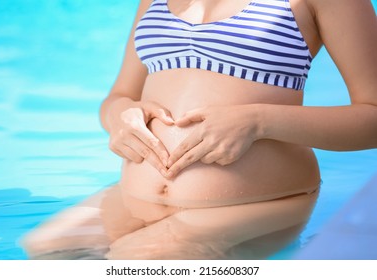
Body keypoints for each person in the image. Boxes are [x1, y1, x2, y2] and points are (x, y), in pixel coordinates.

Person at [22, 0, 377, 259]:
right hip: (136, 196)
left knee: (136, 262)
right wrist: (119, 115)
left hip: (258, 204)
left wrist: (258, 121)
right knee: (47, 250)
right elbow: (119, 95)